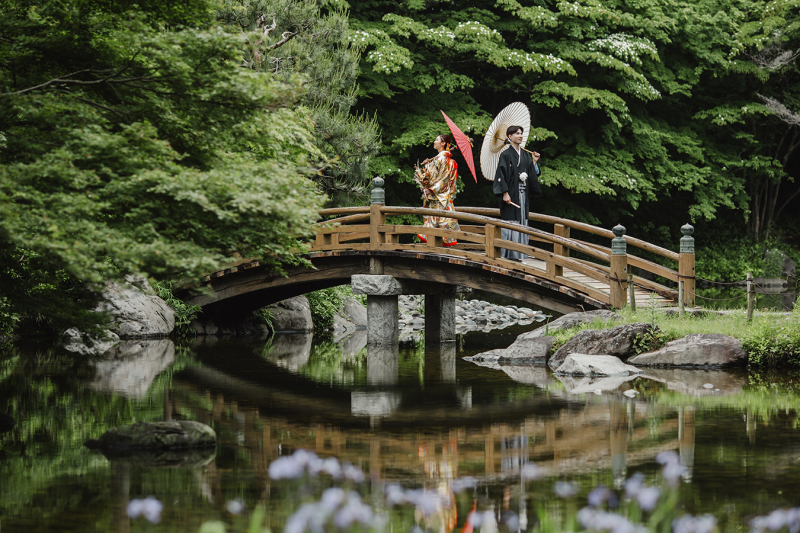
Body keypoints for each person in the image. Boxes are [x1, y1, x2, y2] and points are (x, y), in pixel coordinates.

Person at [492, 125, 541, 261]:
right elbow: (500, 175)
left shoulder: (525, 155)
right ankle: (508, 254)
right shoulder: (506, 154)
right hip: (511, 194)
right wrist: (505, 193)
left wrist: (534, 162)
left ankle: (520, 253)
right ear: (510, 137)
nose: (520, 135)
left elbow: (532, 173)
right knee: (511, 221)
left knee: (522, 220)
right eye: (517, 133)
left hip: (523, 194)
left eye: (521, 133)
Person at [414, 133, 460, 247]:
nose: (434, 142)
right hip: (435, 196)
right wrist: (424, 181)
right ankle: (434, 248)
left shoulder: (444, 160)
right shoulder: (439, 159)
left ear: (443, 143)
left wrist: (431, 189)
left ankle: (437, 249)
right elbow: (432, 176)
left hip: (439, 196)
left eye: (436, 140)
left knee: (441, 222)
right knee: (436, 221)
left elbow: (444, 179)